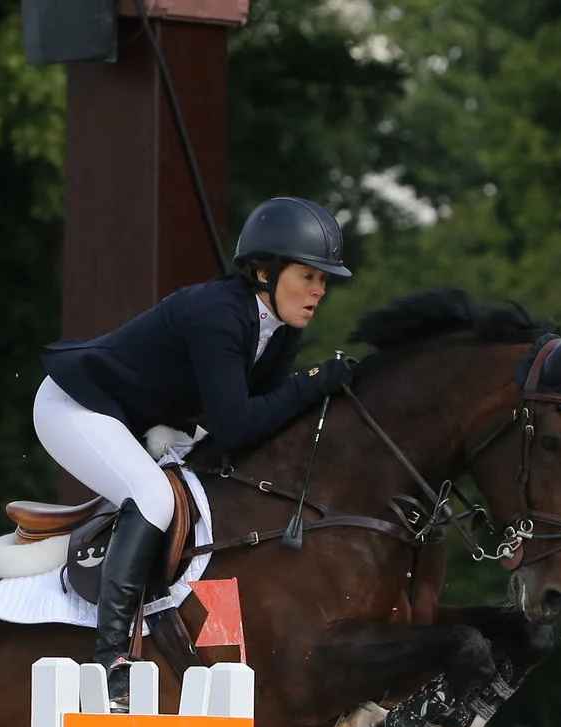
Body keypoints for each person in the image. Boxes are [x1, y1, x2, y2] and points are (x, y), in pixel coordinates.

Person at [36, 196, 357, 672]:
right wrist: (311, 384)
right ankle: (110, 659)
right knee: (152, 498)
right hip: (76, 405)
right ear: (265, 273)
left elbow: (260, 426)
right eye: (308, 275)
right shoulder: (217, 313)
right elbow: (234, 425)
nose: (319, 290)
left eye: (323, 279)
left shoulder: (284, 329)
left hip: (138, 420)